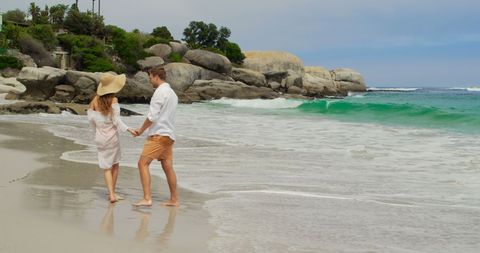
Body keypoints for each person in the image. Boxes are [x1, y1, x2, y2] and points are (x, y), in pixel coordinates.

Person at [132, 66, 179, 207]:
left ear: (156, 76)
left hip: (158, 135)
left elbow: (152, 117)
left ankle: (147, 198)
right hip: (169, 135)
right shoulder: (172, 93)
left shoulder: (159, 92)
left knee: (142, 164)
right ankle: (174, 200)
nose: (150, 80)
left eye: (150, 77)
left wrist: (140, 130)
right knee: (168, 167)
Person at [87, 73, 136, 203]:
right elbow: (117, 121)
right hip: (112, 138)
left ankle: (111, 194)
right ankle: (112, 194)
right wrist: (129, 129)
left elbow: (91, 122)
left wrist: (95, 135)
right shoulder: (113, 101)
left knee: (106, 167)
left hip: (99, 138)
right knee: (115, 165)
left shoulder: (94, 101)